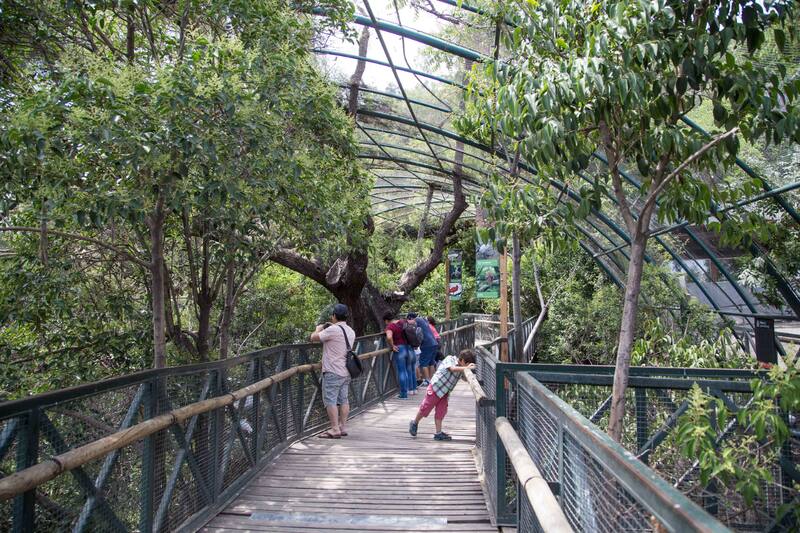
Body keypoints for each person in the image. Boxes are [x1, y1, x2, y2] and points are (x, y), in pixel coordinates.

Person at [409, 348, 476, 441]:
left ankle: (438, 433)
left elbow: (464, 378)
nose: (467, 366)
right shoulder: (450, 359)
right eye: (467, 364)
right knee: (426, 408)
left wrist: (470, 374)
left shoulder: (462, 367)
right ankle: (414, 422)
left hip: (445, 392)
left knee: (441, 411)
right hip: (435, 388)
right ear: (462, 360)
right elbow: (452, 369)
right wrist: (466, 368)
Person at [310, 303, 355, 439]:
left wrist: (318, 329)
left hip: (333, 371)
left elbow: (313, 338)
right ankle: (342, 426)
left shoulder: (333, 330)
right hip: (346, 371)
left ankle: (335, 429)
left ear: (334, 316)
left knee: (330, 400)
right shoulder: (351, 331)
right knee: (344, 400)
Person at [384, 312, 414, 399]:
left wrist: (392, 345)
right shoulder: (403, 322)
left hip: (399, 349)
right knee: (407, 370)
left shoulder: (390, 326)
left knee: (402, 371)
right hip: (408, 348)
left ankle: (403, 394)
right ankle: (409, 389)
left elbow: (389, 337)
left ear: (386, 320)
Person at [408, 312, 437, 386]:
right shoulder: (423, 319)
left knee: (424, 363)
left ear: (411, 318)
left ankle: (427, 380)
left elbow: (410, 323)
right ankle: (432, 380)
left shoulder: (417, 320)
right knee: (431, 362)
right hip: (434, 342)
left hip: (426, 344)